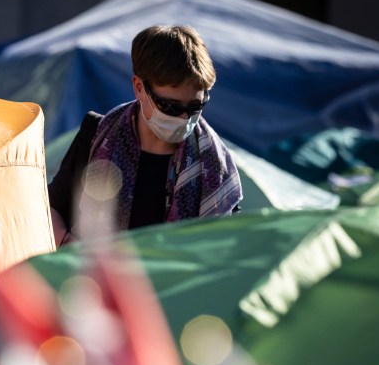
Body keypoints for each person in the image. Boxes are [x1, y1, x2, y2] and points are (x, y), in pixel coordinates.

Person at [47, 25, 242, 244]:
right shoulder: (96, 134)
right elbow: (50, 208)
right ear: (139, 87)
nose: (184, 118)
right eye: (170, 106)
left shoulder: (215, 167)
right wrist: (70, 246)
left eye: (196, 106)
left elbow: (224, 247)